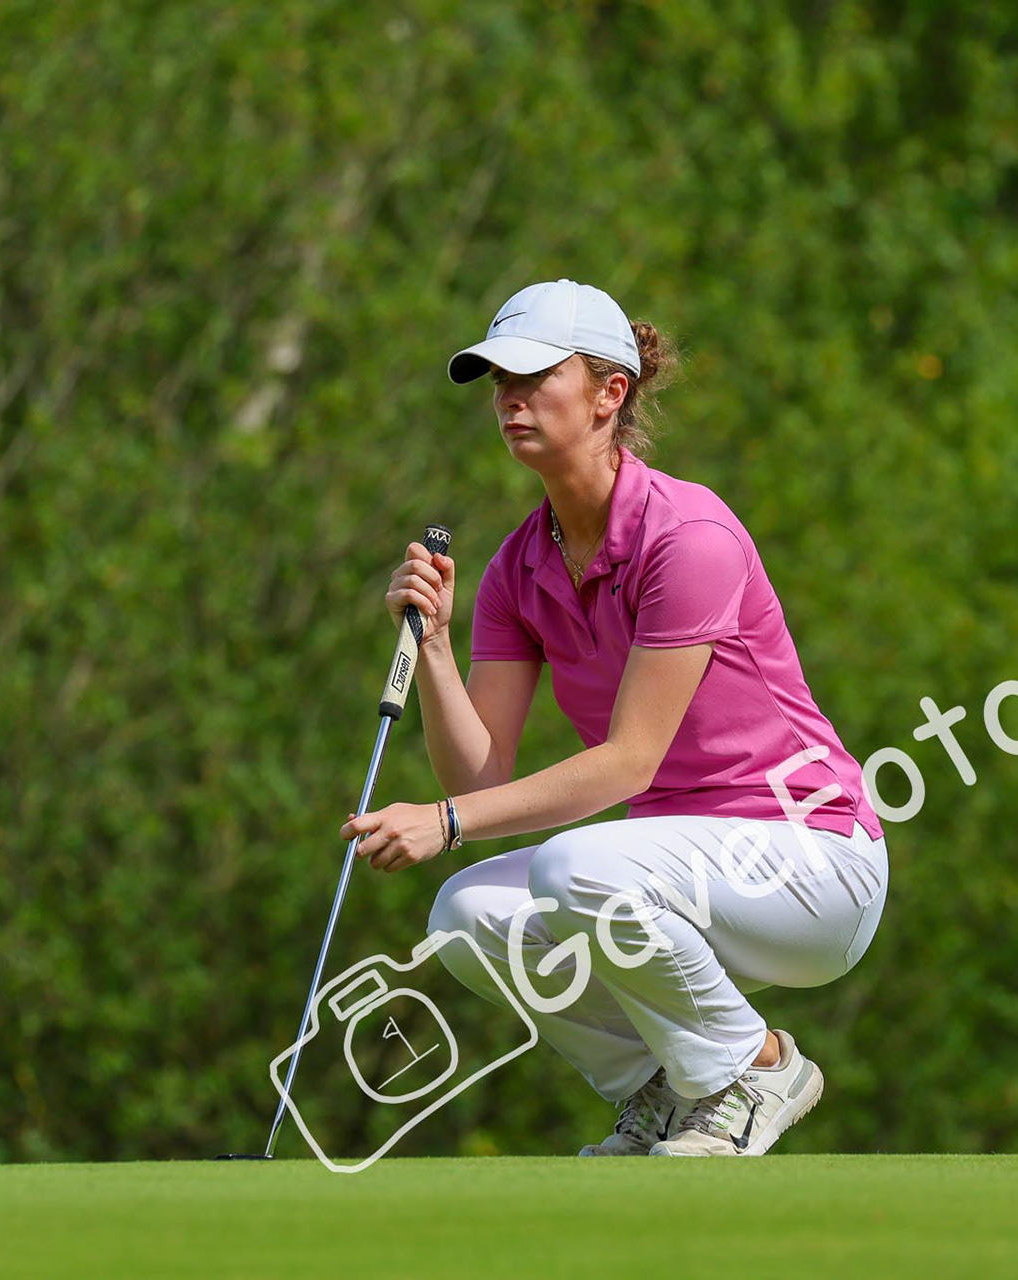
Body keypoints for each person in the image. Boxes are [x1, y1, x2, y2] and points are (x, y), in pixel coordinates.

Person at [336, 279, 889, 1157]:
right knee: (466, 913)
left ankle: (755, 1068)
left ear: (610, 393)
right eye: (496, 382)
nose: (510, 399)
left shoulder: (688, 537)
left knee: (571, 864)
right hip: (680, 873)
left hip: (813, 860)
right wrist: (436, 646)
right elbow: (481, 781)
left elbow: (627, 765)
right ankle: (666, 1092)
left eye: (534, 376)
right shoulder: (518, 568)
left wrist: (445, 823)